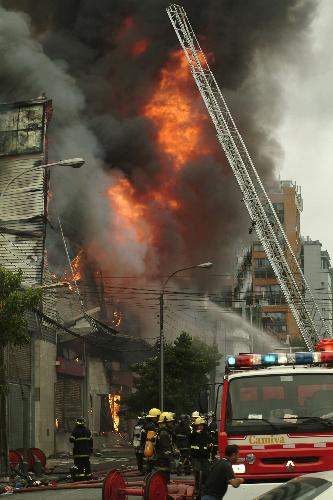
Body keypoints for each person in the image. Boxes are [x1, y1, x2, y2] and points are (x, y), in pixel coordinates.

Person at [190, 416, 211, 496]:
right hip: (196, 457)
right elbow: (189, 440)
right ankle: (197, 488)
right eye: (199, 425)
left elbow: (210, 442)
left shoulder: (206, 435)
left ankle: (205, 488)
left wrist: (210, 446)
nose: (200, 427)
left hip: (205, 457)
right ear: (196, 426)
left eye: (202, 425)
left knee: (207, 472)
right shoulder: (193, 434)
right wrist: (195, 433)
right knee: (197, 471)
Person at [69, 416, 93, 481]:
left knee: (79, 466)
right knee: (87, 465)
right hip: (86, 453)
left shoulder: (75, 430)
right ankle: (89, 477)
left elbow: (71, 440)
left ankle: (80, 478)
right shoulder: (87, 431)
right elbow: (91, 441)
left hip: (78, 453)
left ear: (77, 423)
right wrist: (90, 449)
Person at [154, 411, 174, 482]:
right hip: (163, 461)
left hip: (160, 459)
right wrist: (171, 460)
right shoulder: (164, 434)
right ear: (165, 423)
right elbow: (166, 449)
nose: (172, 423)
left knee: (160, 479)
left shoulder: (161, 432)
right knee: (164, 480)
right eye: (170, 422)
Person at [142, 407, 161, 472]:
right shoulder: (151, 426)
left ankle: (148, 471)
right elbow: (153, 438)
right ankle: (151, 473)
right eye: (158, 417)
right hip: (150, 446)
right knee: (151, 461)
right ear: (154, 417)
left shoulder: (147, 424)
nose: (159, 418)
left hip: (146, 445)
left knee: (148, 460)